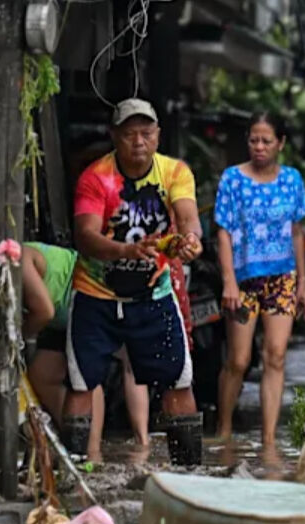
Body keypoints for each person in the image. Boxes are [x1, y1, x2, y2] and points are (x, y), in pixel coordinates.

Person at [63, 98, 203, 465]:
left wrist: (190, 241)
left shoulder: (174, 172)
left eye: (146, 133)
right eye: (129, 134)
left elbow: (188, 216)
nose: (138, 141)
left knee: (178, 379)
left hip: (153, 294)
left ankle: (188, 469)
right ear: (114, 137)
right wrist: (125, 251)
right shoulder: (96, 177)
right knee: (81, 382)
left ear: (158, 136)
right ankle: (74, 467)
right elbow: (85, 235)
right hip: (96, 294)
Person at [214, 111, 305, 467]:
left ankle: (268, 441)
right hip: (243, 280)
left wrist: (302, 283)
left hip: (282, 278)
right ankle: (223, 430)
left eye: (266, 140)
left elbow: (296, 231)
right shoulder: (232, 180)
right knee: (239, 360)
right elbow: (222, 231)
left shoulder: (292, 180)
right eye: (254, 139)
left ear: (280, 143)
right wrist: (228, 281)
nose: (259, 146)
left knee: (276, 355)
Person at [23, 242, 151, 459]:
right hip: (63, 314)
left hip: (83, 296)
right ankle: (74, 435)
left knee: (86, 377)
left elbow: (44, 311)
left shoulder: (18, 256)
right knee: (42, 373)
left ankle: (93, 452)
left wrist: (19, 334)